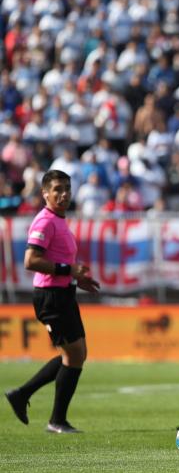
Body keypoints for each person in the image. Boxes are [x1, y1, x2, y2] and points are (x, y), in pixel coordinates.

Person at [5, 170, 101, 434]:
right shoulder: (45, 222)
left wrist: (77, 279)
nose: (64, 194)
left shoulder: (59, 221)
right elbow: (31, 261)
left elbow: (61, 262)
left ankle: (23, 396)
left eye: (67, 189)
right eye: (57, 189)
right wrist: (68, 271)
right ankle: (54, 418)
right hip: (50, 297)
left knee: (76, 354)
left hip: (64, 293)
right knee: (74, 355)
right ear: (45, 193)